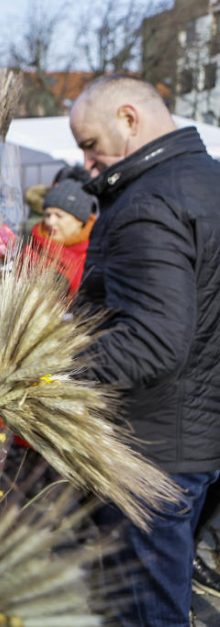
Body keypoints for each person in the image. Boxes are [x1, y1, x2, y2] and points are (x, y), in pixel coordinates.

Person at [70, 75, 220, 624]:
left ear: (129, 120)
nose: (87, 162)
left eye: (89, 144)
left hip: (153, 455)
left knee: (146, 614)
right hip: (200, 441)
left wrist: (50, 366)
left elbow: (152, 341)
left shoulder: (147, 204)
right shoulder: (209, 181)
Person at [26, 178, 97, 295]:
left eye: (59, 216)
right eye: (48, 215)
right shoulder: (31, 250)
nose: (50, 221)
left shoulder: (96, 253)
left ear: (79, 220)